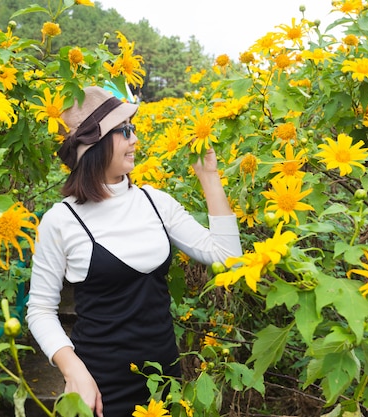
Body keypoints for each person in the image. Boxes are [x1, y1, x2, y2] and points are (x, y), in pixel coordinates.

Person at [26, 85, 242, 417]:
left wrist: (209, 177)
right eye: (124, 131)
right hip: (98, 386)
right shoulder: (61, 221)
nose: (134, 139)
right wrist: (74, 371)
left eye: (134, 129)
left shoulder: (155, 202)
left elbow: (228, 257)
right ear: (95, 146)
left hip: (163, 379)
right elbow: (40, 309)